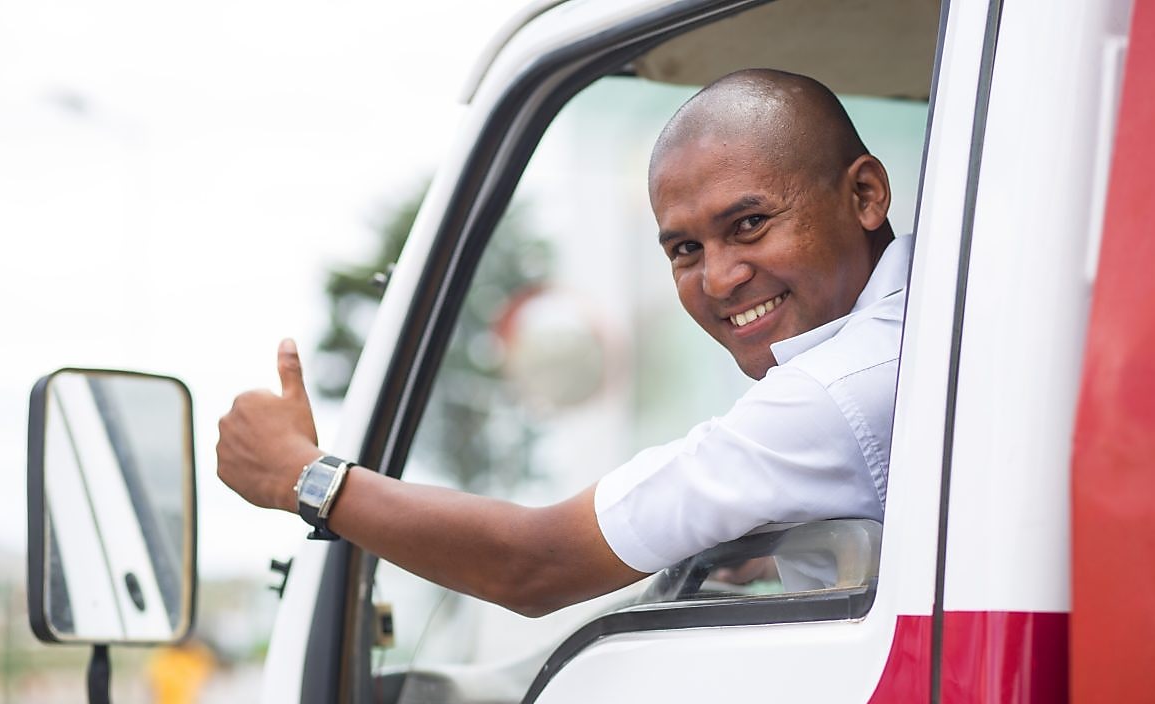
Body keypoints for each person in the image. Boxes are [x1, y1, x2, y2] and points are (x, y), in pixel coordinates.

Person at [216, 69, 907, 617]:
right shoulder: (916, 334)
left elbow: (534, 562)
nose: (720, 277)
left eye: (751, 223)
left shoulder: (834, 391)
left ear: (866, 194)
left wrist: (302, 476)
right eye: (686, 248)